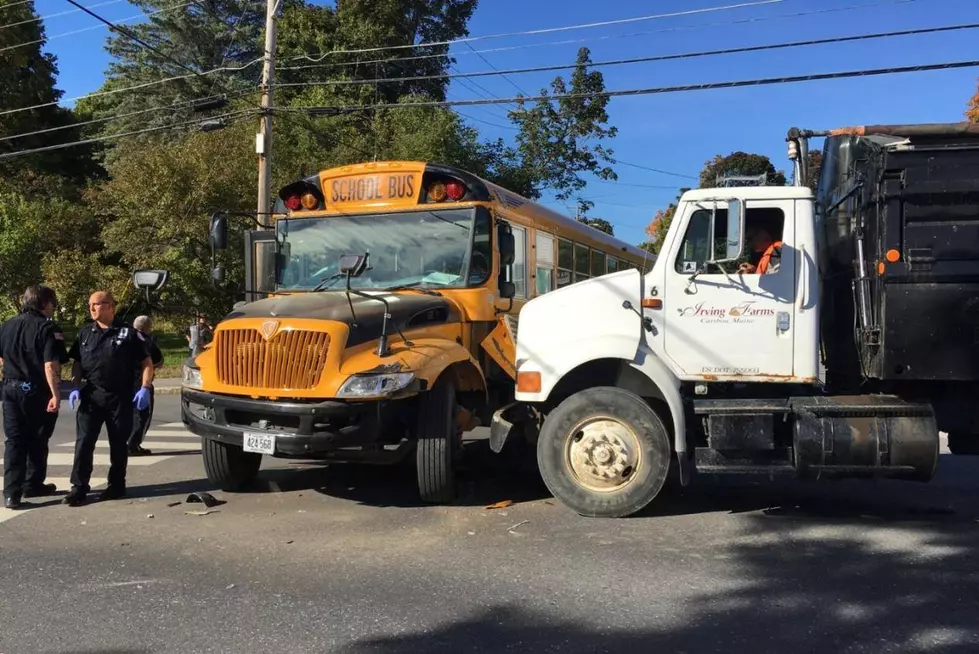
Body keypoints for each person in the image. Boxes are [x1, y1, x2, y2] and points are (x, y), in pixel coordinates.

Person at [63, 291, 155, 507]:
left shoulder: (129, 333)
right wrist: (75, 385)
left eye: (97, 304)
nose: (92, 309)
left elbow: (147, 363)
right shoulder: (85, 332)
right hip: (91, 396)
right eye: (90, 305)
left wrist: (144, 388)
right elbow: (76, 362)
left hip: (119, 397)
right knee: (84, 443)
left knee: (118, 444)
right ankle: (79, 487)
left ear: (111, 306)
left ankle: (116, 485)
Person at [0, 286, 62, 509]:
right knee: (38, 437)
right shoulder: (47, 328)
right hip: (36, 389)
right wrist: (56, 394)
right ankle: (32, 482)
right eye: (53, 304)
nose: (53, 308)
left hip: (10, 387)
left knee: (14, 441)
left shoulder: (6, 326)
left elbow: (1, 359)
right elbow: (50, 364)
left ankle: (11, 493)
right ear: (45, 303)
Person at [127, 315, 164, 456]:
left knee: (127, 415)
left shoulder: (125, 336)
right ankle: (133, 445)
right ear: (148, 328)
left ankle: (124, 442)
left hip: (124, 382)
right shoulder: (146, 341)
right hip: (141, 383)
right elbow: (158, 361)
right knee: (141, 415)